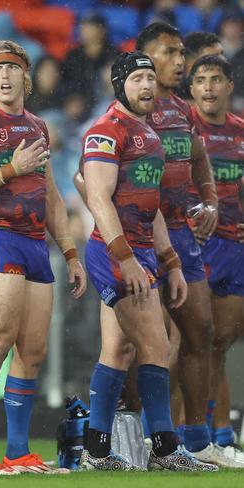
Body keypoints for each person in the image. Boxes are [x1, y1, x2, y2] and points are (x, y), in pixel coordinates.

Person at [0, 40, 86, 475]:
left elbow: (50, 197)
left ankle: (19, 452)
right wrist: (10, 169)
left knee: (34, 351)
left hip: (35, 245)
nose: (5, 77)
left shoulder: (38, 127)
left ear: (26, 76)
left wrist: (70, 252)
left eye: (13, 69)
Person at [77, 50, 215, 472]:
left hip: (140, 251)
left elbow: (150, 206)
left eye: (150, 78)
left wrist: (170, 261)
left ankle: (96, 450)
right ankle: (165, 448)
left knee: (117, 351)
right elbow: (98, 198)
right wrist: (126, 259)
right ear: (120, 85)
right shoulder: (104, 131)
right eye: (137, 78)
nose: (147, 86)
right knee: (157, 345)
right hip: (115, 251)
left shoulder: (149, 135)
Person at [136, 22, 224, 463]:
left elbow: (199, 156)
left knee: (200, 331)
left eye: (180, 53)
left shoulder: (182, 111)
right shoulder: (125, 112)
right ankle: (135, 437)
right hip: (139, 239)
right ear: (145, 60)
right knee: (137, 345)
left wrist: (209, 200)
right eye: (169, 53)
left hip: (181, 235)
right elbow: (84, 174)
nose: (180, 61)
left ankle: (195, 440)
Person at [189, 55, 244, 466]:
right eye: (201, 80)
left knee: (219, 344)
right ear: (191, 89)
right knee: (190, 342)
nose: (208, 87)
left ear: (229, 85)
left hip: (235, 248)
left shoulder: (241, 133)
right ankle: (180, 434)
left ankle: (215, 436)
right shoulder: (181, 130)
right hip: (194, 247)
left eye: (216, 80)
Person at [177, 31, 224, 100]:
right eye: (214, 57)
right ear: (191, 66)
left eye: (222, 54)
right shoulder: (172, 102)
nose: (223, 61)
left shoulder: (226, 89)